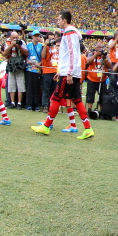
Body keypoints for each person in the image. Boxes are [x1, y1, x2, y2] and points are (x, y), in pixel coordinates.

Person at [31, 11, 94, 140]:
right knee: (76, 99)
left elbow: (72, 53)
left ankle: (47, 126)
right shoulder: (72, 33)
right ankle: (88, 128)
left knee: (55, 98)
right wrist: (62, 71)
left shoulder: (69, 33)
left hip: (69, 73)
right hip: (70, 72)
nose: (57, 21)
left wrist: (68, 72)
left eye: (59, 19)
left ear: (64, 20)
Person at [1, 31, 27, 110]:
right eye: (13, 38)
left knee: (20, 85)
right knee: (11, 85)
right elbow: (5, 53)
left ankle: (19, 103)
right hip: (11, 65)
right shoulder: (8, 42)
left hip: (19, 65)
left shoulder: (21, 42)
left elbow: (26, 53)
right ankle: (12, 102)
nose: (15, 39)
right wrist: (12, 45)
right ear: (11, 38)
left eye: (16, 38)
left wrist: (19, 46)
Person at [25, 31, 43, 112]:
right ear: (32, 36)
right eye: (35, 36)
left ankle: (35, 105)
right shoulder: (28, 45)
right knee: (29, 87)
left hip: (37, 69)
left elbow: (43, 57)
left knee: (36, 87)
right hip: (29, 68)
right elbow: (24, 55)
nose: (36, 37)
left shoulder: (41, 46)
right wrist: (27, 61)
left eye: (38, 36)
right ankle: (28, 104)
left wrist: (40, 63)